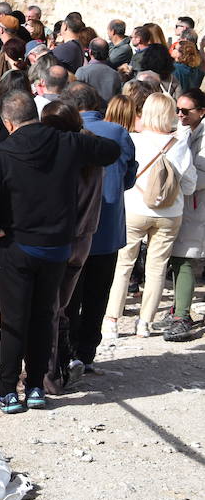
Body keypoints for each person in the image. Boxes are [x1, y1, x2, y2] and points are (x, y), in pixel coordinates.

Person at [0, 90, 119, 413]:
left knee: (13, 321)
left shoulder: (0, 154)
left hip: (15, 248)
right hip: (56, 249)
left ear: (9, 123)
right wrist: (77, 138)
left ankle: (8, 390)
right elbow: (110, 150)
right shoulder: (67, 143)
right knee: (43, 317)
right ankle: (35, 387)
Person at [104, 93, 199, 338]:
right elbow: (189, 186)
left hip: (135, 208)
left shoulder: (134, 139)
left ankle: (112, 320)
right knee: (157, 269)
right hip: (170, 213)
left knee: (123, 264)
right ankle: (144, 324)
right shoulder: (179, 144)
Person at [63, 85, 137, 378]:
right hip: (108, 229)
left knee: (70, 296)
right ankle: (87, 353)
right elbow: (129, 179)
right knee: (98, 294)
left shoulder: (67, 134)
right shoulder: (119, 133)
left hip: (73, 229)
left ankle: (67, 354)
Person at [39, 97, 105, 394]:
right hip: (83, 240)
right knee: (61, 308)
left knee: (50, 311)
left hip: (59, 240)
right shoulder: (91, 148)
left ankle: (50, 375)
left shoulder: (62, 153)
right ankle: (63, 366)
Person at [161, 88, 205, 340]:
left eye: (186, 111)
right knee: (179, 258)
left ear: (201, 112)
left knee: (185, 258)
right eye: (177, 109)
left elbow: (199, 177)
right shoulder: (187, 130)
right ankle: (178, 308)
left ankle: (182, 315)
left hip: (196, 205)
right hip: (186, 204)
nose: (179, 114)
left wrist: (174, 174)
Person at [75, 38, 121, 105]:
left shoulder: (82, 72)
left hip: (87, 112)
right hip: (108, 112)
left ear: (90, 52)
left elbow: (75, 95)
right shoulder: (115, 74)